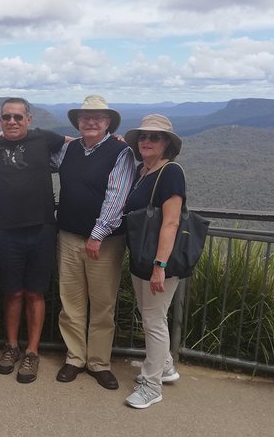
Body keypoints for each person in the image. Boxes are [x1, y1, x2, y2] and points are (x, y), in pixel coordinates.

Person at [0, 97, 67, 384]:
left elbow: (78, 143)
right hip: (7, 230)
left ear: (29, 119)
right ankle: (11, 346)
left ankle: (32, 352)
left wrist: (110, 139)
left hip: (42, 227)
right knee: (13, 292)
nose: (13, 121)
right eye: (7, 117)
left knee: (35, 293)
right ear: (0, 120)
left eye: (18, 117)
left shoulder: (44, 138)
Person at [52, 95, 136, 390]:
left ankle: (99, 362)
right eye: (85, 117)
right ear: (78, 122)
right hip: (68, 236)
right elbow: (38, 159)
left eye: (98, 117)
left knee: (102, 304)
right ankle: (75, 358)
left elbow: (118, 196)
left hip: (105, 242)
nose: (91, 122)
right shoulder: (69, 149)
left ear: (108, 123)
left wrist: (97, 234)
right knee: (71, 302)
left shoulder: (121, 151)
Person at [122, 114, 185, 409]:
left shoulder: (170, 172)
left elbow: (170, 223)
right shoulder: (142, 170)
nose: (147, 141)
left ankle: (152, 386)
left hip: (158, 262)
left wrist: (160, 266)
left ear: (167, 144)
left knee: (154, 320)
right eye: (143, 137)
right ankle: (166, 367)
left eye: (154, 137)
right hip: (141, 257)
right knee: (151, 317)